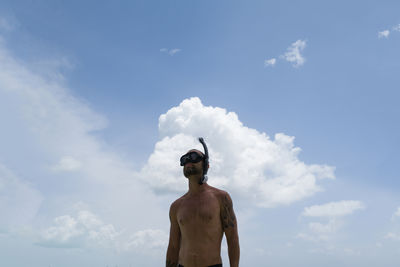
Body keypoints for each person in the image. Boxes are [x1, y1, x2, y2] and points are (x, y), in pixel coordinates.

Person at [166, 138, 240, 267]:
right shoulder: (176, 206)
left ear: (206, 165)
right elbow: (173, 246)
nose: (189, 161)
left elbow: (232, 239)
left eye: (194, 157)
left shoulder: (221, 198)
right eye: (185, 159)